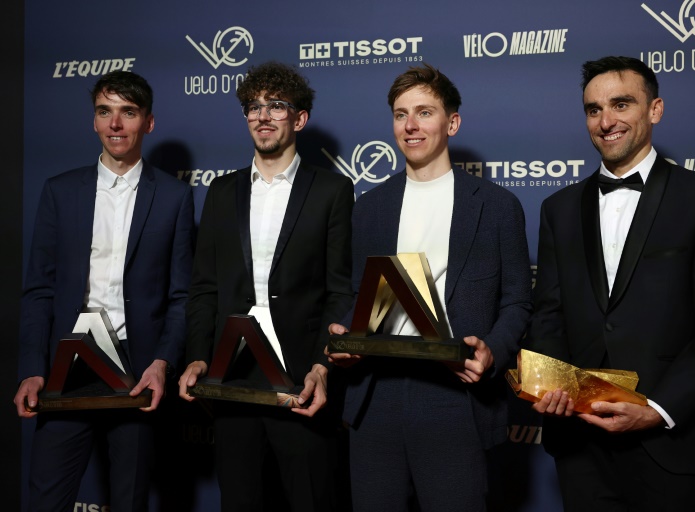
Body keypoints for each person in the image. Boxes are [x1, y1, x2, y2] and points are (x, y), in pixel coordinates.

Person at [526, 56, 695, 511]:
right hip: (580, 445)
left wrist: (658, 409)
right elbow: (548, 313)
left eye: (621, 104)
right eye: (593, 109)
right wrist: (549, 385)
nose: (606, 121)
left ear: (655, 109)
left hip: (670, 442)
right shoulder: (558, 208)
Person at [328, 63, 533, 512]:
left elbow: (518, 300)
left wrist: (493, 350)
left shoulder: (498, 206)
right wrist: (344, 336)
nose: (411, 125)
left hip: (454, 397)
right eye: (401, 114)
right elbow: (355, 297)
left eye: (424, 112)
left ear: (452, 123)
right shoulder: (369, 208)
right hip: (375, 394)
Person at [14, 71, 195, 511]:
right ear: (94, 121)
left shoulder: (174, 197)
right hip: (66, 367)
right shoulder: (59, 191)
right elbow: (39, 289)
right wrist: (33, 368)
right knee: (45, 497)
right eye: (104, 111)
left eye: (127, 112)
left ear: (147, 123)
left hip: (136, 371)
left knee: (129, 499)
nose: (115, 124)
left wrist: (162, 363)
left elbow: (181, 295)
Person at [178, 61, 354, 512]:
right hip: (232, 379)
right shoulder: (221, 191)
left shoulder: (332, 190)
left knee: (311, 500)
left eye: (276, 105)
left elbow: (340, 291)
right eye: (253, 107)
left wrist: (322, 366)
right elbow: (203, 288)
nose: (262, 116)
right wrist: (199, 355)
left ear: (299, 119)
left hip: (301, 379)